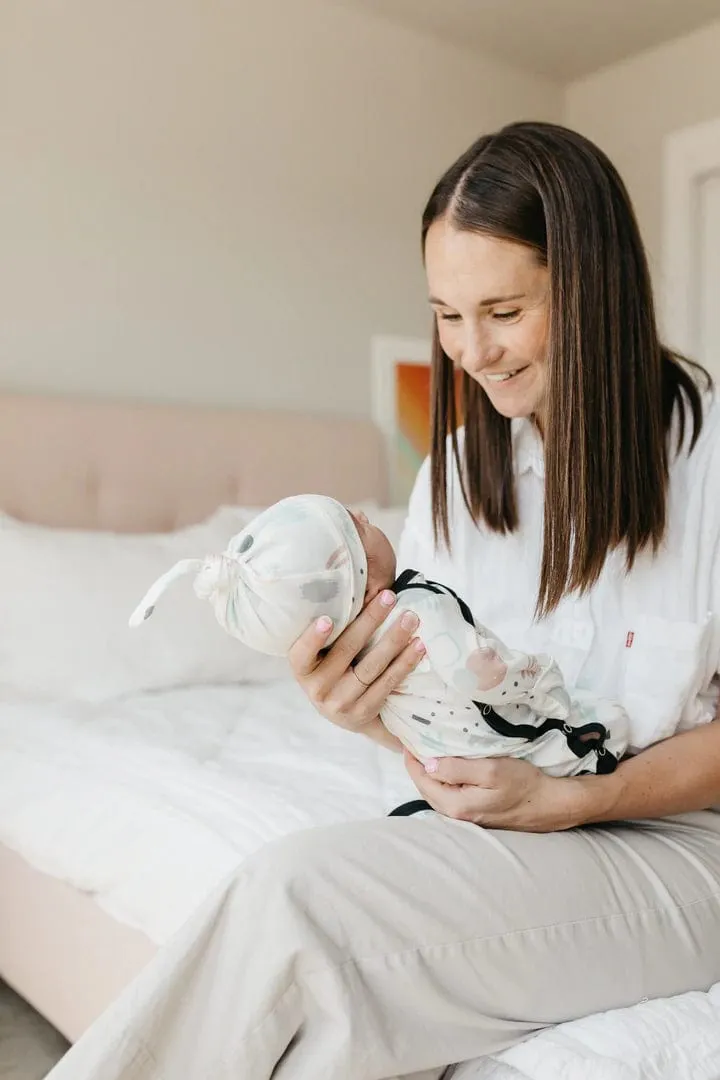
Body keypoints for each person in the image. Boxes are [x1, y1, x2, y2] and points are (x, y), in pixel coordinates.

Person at [47, 121, 720, 1080]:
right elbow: (456, 722)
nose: (473, 351)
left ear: (592, 286)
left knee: (296, 898)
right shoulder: (455, 473)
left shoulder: (709, 459)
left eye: (503, 309)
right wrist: (366, 712)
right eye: (447, 314)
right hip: (514, 837)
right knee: (329, 1032)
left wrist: (581, 799)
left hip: (682, 852)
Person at [130, 492, 629, 774]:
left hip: (449, 762)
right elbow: (477, 672)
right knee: (576, 730)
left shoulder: (361, 652)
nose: (368, 516)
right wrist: (538, 677)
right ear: (357, 569)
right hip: (500, 741)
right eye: (358, 523)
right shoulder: (417, 611)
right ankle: (595, 749)